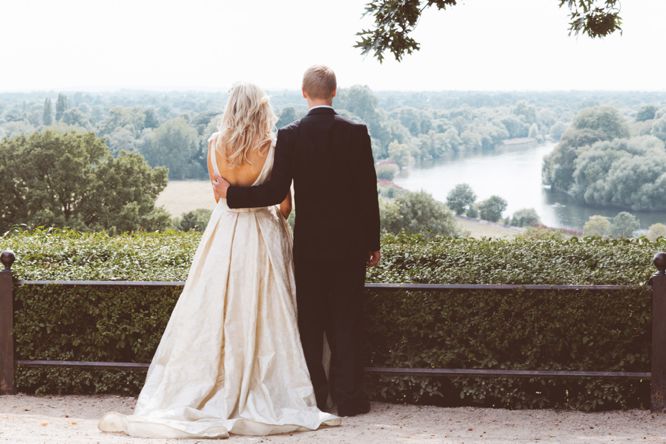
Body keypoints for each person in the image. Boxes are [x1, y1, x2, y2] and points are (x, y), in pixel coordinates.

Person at [97, 83, 340, 439]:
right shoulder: (271, 145)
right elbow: (284, 204)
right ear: (261, 109)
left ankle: (214, 382)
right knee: (268, 310)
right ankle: (262, 383)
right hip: (262, 232)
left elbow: (219, 198)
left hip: (224, 233)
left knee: (216, 307)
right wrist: (274, 214)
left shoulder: (214, 143)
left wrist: (233, 199)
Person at [214, 65, 381, 417]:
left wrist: (232, 196)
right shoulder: (356, 132)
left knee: (310, 323)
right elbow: (368, 193)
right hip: (350, 246)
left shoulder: (291, 135)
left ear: (303, 92)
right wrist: (372, 242)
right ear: (334, 92)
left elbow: (275, 192)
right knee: (347, 322)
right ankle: (349, 398)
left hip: (310, 246)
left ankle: (317, 398)